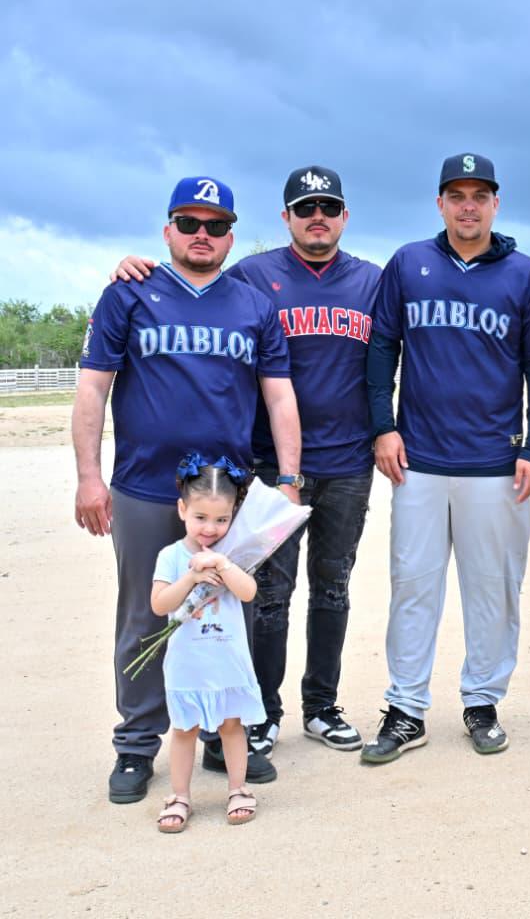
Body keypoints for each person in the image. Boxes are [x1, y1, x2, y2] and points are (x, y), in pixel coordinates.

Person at [113, 166, 381, 760]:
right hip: (265, 466)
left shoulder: (372, 281)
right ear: (285, 217)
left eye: (329, 207)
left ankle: (322, 706)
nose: (318, 217)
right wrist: (133, 268)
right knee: (266, 594)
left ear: (343, 216)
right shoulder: (254, 276)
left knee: (332, 587)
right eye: (305, 207)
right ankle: (260, 713)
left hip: (347, 461)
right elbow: (193, 286)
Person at [74, 176, 301, 804]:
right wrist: (89, 477)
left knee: (228, 610)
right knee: (146, 612)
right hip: (146, 485)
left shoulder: (252, 303)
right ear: (168, 228)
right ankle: (137, 743)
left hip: (222, 494)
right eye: (190, 222)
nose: (204, 235)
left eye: (218, 225)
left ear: (231, 233)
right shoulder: (130, 292)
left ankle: (219, 732)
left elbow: (278, 395)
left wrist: (287, 479)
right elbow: (93, 387)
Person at [361, 153, 530, 762]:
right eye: (456, 195)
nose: (468, 205)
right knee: (413, 587)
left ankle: (482, 702)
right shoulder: (409, 263)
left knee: (493, 590)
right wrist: (384, 428)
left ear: (495, 204)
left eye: (479, 195)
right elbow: (381, 350)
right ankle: (406, 708)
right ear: (440, 202)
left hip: (494, 463)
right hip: (418, 459)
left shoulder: (524, 275)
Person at [152, 455, 265, 832]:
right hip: (188, 661)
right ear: (182, 508)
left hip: (226, 658)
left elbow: (248, 594)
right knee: (184, 730)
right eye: (200, 517)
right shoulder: (171, 556)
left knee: (232, 726)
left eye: (222, 519)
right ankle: (180, 795)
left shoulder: (232, 556)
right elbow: (160, 604)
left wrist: (223, 565)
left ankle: (238, 788)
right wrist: (191, 576)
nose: (210, 528)